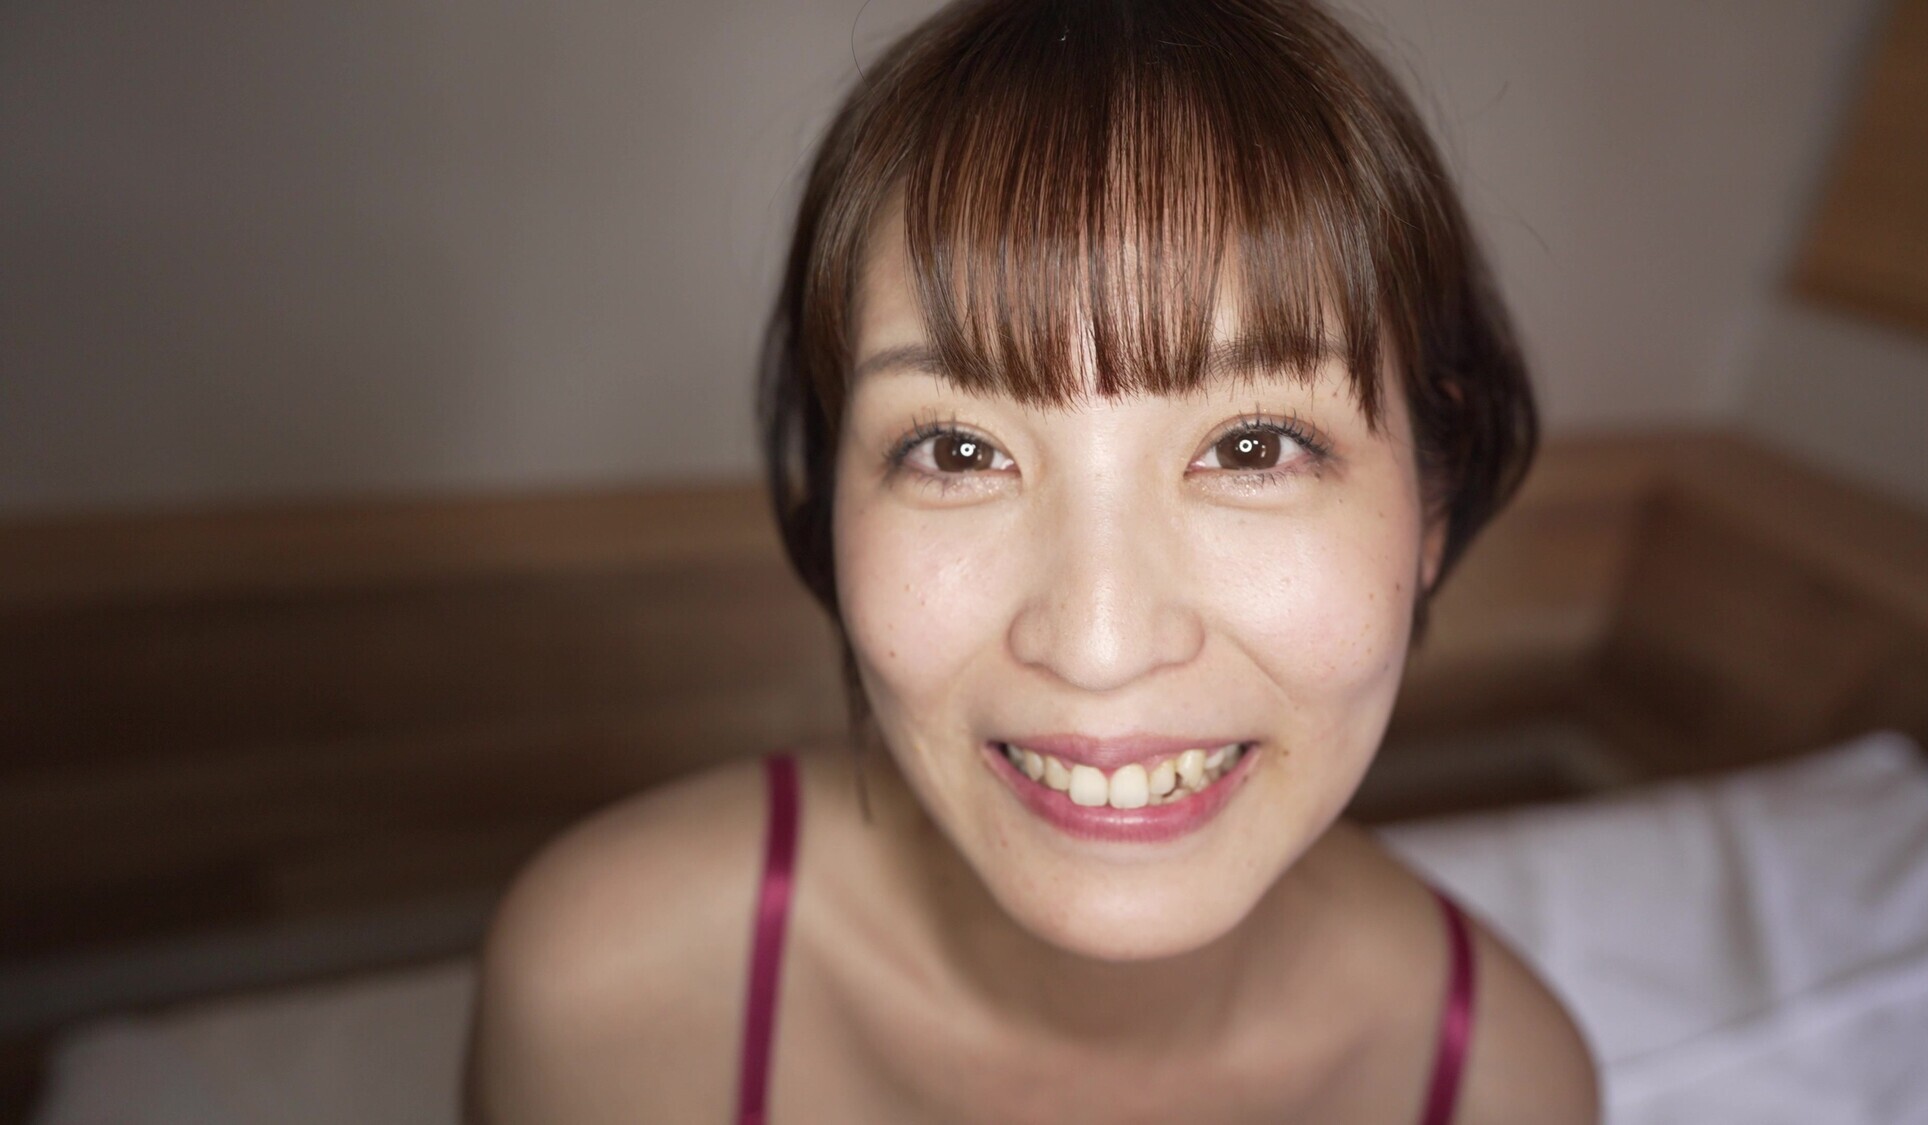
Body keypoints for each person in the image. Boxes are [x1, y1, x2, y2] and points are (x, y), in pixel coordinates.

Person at [464, 0, 1600, 1120]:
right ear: (832, 503)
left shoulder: (1507, 1086)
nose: (1097, 645)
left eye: (1251, 446)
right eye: (957, 450)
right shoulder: (602, 997)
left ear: (1432, 500)